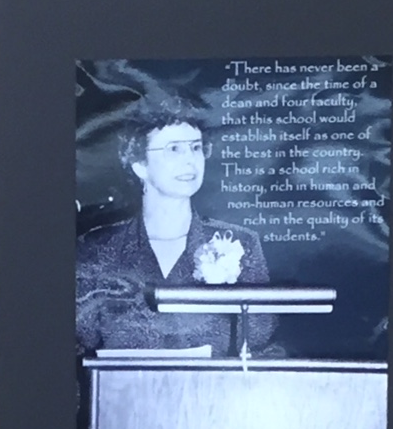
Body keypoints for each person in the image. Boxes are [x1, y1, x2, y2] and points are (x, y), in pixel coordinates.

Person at [76, 100, 274, 355]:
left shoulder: (241, 244)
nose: (190, 160)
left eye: (196, 148)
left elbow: (260, 344)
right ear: (140, 164)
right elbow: (78, 347)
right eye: (174, 149)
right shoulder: (97, 248)